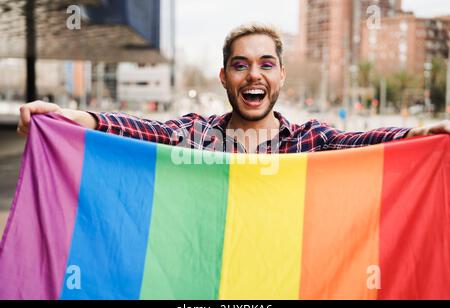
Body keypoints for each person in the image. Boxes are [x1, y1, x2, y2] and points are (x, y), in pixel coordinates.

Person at [17, 23, 450, 153]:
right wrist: (78, 120)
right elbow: (140, 130)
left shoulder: (310, 141)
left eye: (266, 64)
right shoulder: (197, 137)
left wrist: (416, 136)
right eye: (240, 65)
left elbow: (365, 141)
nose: (253, 75)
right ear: (224, 77)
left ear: (281, 76)